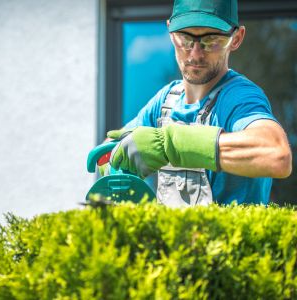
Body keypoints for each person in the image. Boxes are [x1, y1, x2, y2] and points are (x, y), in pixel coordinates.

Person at [103, 0, 292, 207]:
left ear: (236, 38)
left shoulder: (239, 97)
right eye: (185, 38)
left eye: (211, 40)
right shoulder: (166, 101)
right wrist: (114, 160)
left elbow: (277, 156)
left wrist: (171, 144)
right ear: (170, 33)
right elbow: (108, 153)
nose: (195, 54)